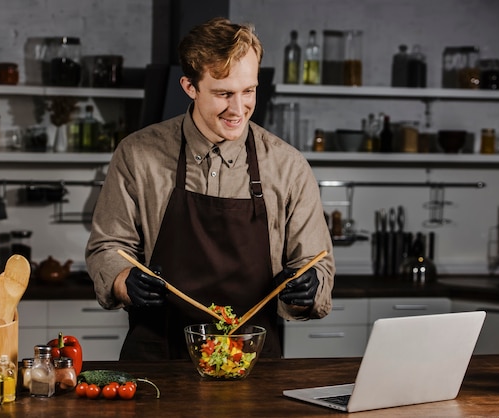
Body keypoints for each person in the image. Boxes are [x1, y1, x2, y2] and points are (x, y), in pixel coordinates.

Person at [86, 17, 335, 361]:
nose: (238, 109)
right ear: (190, 87)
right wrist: (123, 280)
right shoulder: (137, 154)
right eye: (223, 94)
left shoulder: (288, 166)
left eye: (248, 91)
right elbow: (108, 247)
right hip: (158, 356)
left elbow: (316, 264)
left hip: (253, 360)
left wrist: (308, 288)